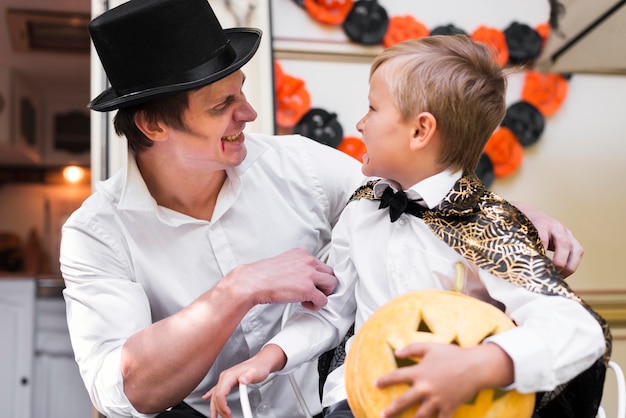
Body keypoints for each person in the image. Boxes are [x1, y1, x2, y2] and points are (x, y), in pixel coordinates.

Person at [60, 0, 585, 416]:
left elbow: (428, 187)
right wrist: (241, 295)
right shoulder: (96, 235)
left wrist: (506, 218)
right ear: (153, 125)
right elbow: (119, 391)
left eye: (240, 91)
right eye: (222, 106)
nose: (251, 112)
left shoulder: (305, 167)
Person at [205, 35, 610, 418]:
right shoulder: (361, 211)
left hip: (452, 405)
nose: (361, 124)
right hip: (356, 398)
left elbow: (576, 327)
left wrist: (484, 363)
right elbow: (331, 314)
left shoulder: (487, 224)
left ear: (420, 131)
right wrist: (269, 356)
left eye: (373, 109)